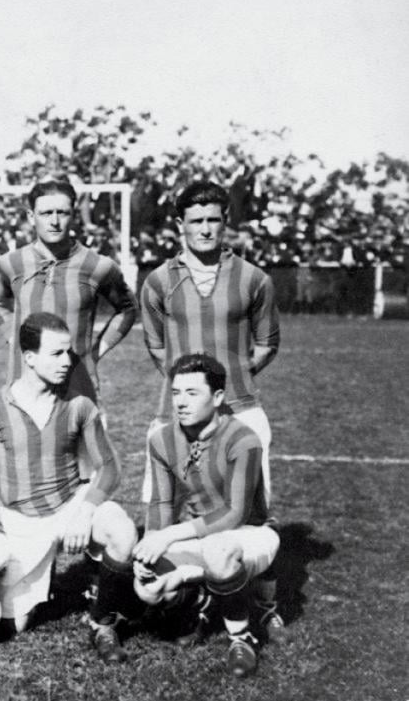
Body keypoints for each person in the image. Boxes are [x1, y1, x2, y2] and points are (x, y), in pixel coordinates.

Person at [139, 180, 283, 634]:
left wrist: (228, 384)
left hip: (240, 408)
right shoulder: (159, 280)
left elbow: (266, 343)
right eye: (195, 221)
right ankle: (191, 597)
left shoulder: (254, 278)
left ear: (226, 223)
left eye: (213, 220)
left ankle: (264, 604)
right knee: (170, 505)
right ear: (179, 225)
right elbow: (157, 348)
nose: (205, 229)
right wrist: (192, 395)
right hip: (177, 412)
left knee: (252, 511)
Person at [0, 313, 139, 661]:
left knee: (122, 532)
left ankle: (102, 621)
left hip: (70, 505)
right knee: (13, 627)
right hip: (21, 520)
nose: (67, 362)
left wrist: (86, 510)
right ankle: (33, 584)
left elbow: (109, 469)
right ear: (29, 357)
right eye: (56, 353)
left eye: (69, 353)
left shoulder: (79, 404)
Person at [132, 353, 279, 678]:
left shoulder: (243, 438)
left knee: (219, 552)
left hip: (248, 533)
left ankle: (242, 637)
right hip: (201, 535)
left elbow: (235, 513)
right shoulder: (161, 439)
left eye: (192, 393)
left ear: (217, 397)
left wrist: (168, 536)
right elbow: (161, 504)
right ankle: (199, 601)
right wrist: (149, 545)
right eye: (175, 393)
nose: (181, 402)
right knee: (148, 587)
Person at [0, 178, 136, 399]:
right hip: (23, 385)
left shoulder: (98, 265)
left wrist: (96, 351)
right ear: (31, 217)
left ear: (73, 214)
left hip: (78, 385)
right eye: (46, 213)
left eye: (62, 212)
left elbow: (127, 309)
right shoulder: (10, 263)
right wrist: (15, 341)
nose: (55, 221)